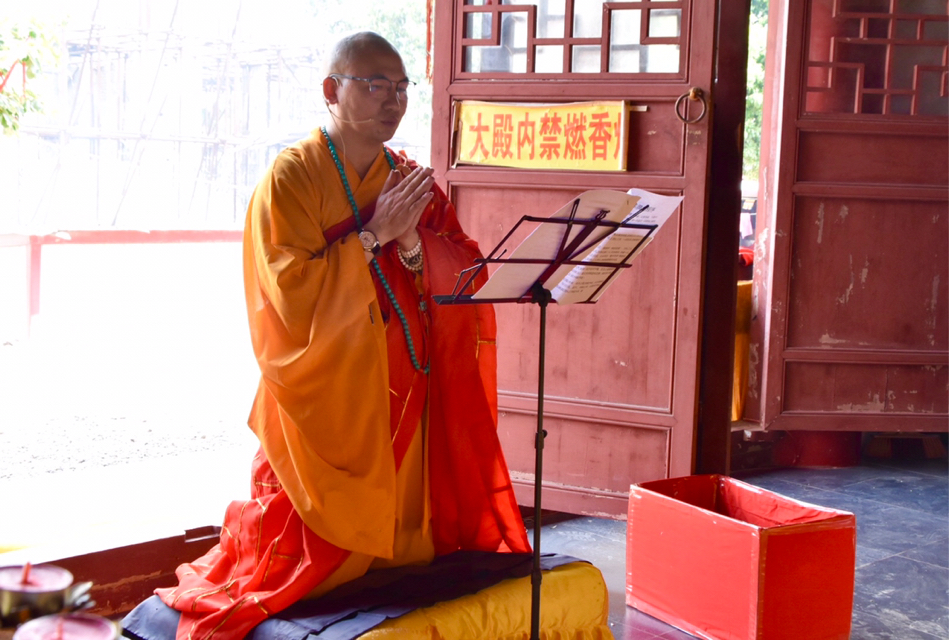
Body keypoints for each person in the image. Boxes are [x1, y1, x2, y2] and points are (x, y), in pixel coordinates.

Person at [154, 32, 530, 640]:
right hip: (328, 377)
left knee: (406, 529)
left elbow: (464, 269)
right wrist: (376, 236)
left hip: (405, 370)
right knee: (300, 530)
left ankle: (390, 562)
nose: (395, 99)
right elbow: (287, 288)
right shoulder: (293, 178)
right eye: (376, 83)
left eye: (403, 86)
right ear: (332, 90)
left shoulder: (409, 179)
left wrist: (412, 242)